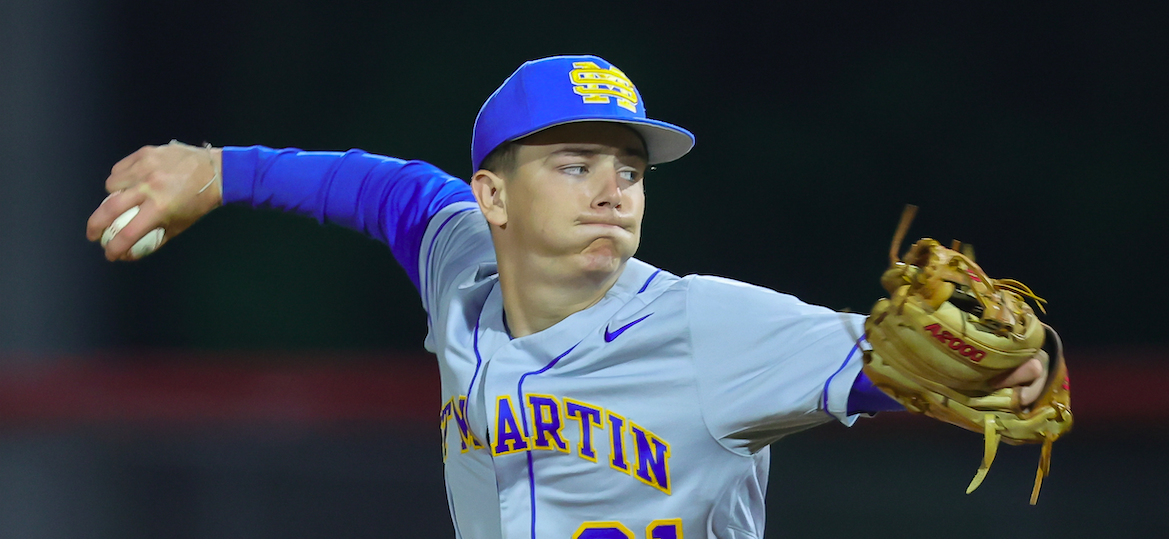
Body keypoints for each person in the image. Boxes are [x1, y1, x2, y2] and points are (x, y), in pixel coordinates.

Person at [86, 55, 1047, 539]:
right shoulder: (461, 260)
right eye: (575, 162)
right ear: (493, 198)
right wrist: (217, 170)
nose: (611, 189)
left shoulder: (708, 326)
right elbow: (379, 189)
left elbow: (891, 363)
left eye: (628, 169)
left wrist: (1021, 367)